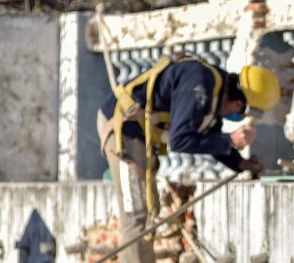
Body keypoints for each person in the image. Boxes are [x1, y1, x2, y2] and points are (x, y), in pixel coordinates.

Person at [95, 54, 280, 263]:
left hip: (140, 133)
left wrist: (241, 163)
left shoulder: (215, 92)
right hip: (122, 128)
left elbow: (210, 137)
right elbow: (181, 140)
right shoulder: (200, 84)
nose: (238, 116)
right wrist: (230, 140)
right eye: (242, 111)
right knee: (136, 213)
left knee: (149, 212)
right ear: (238, 103)